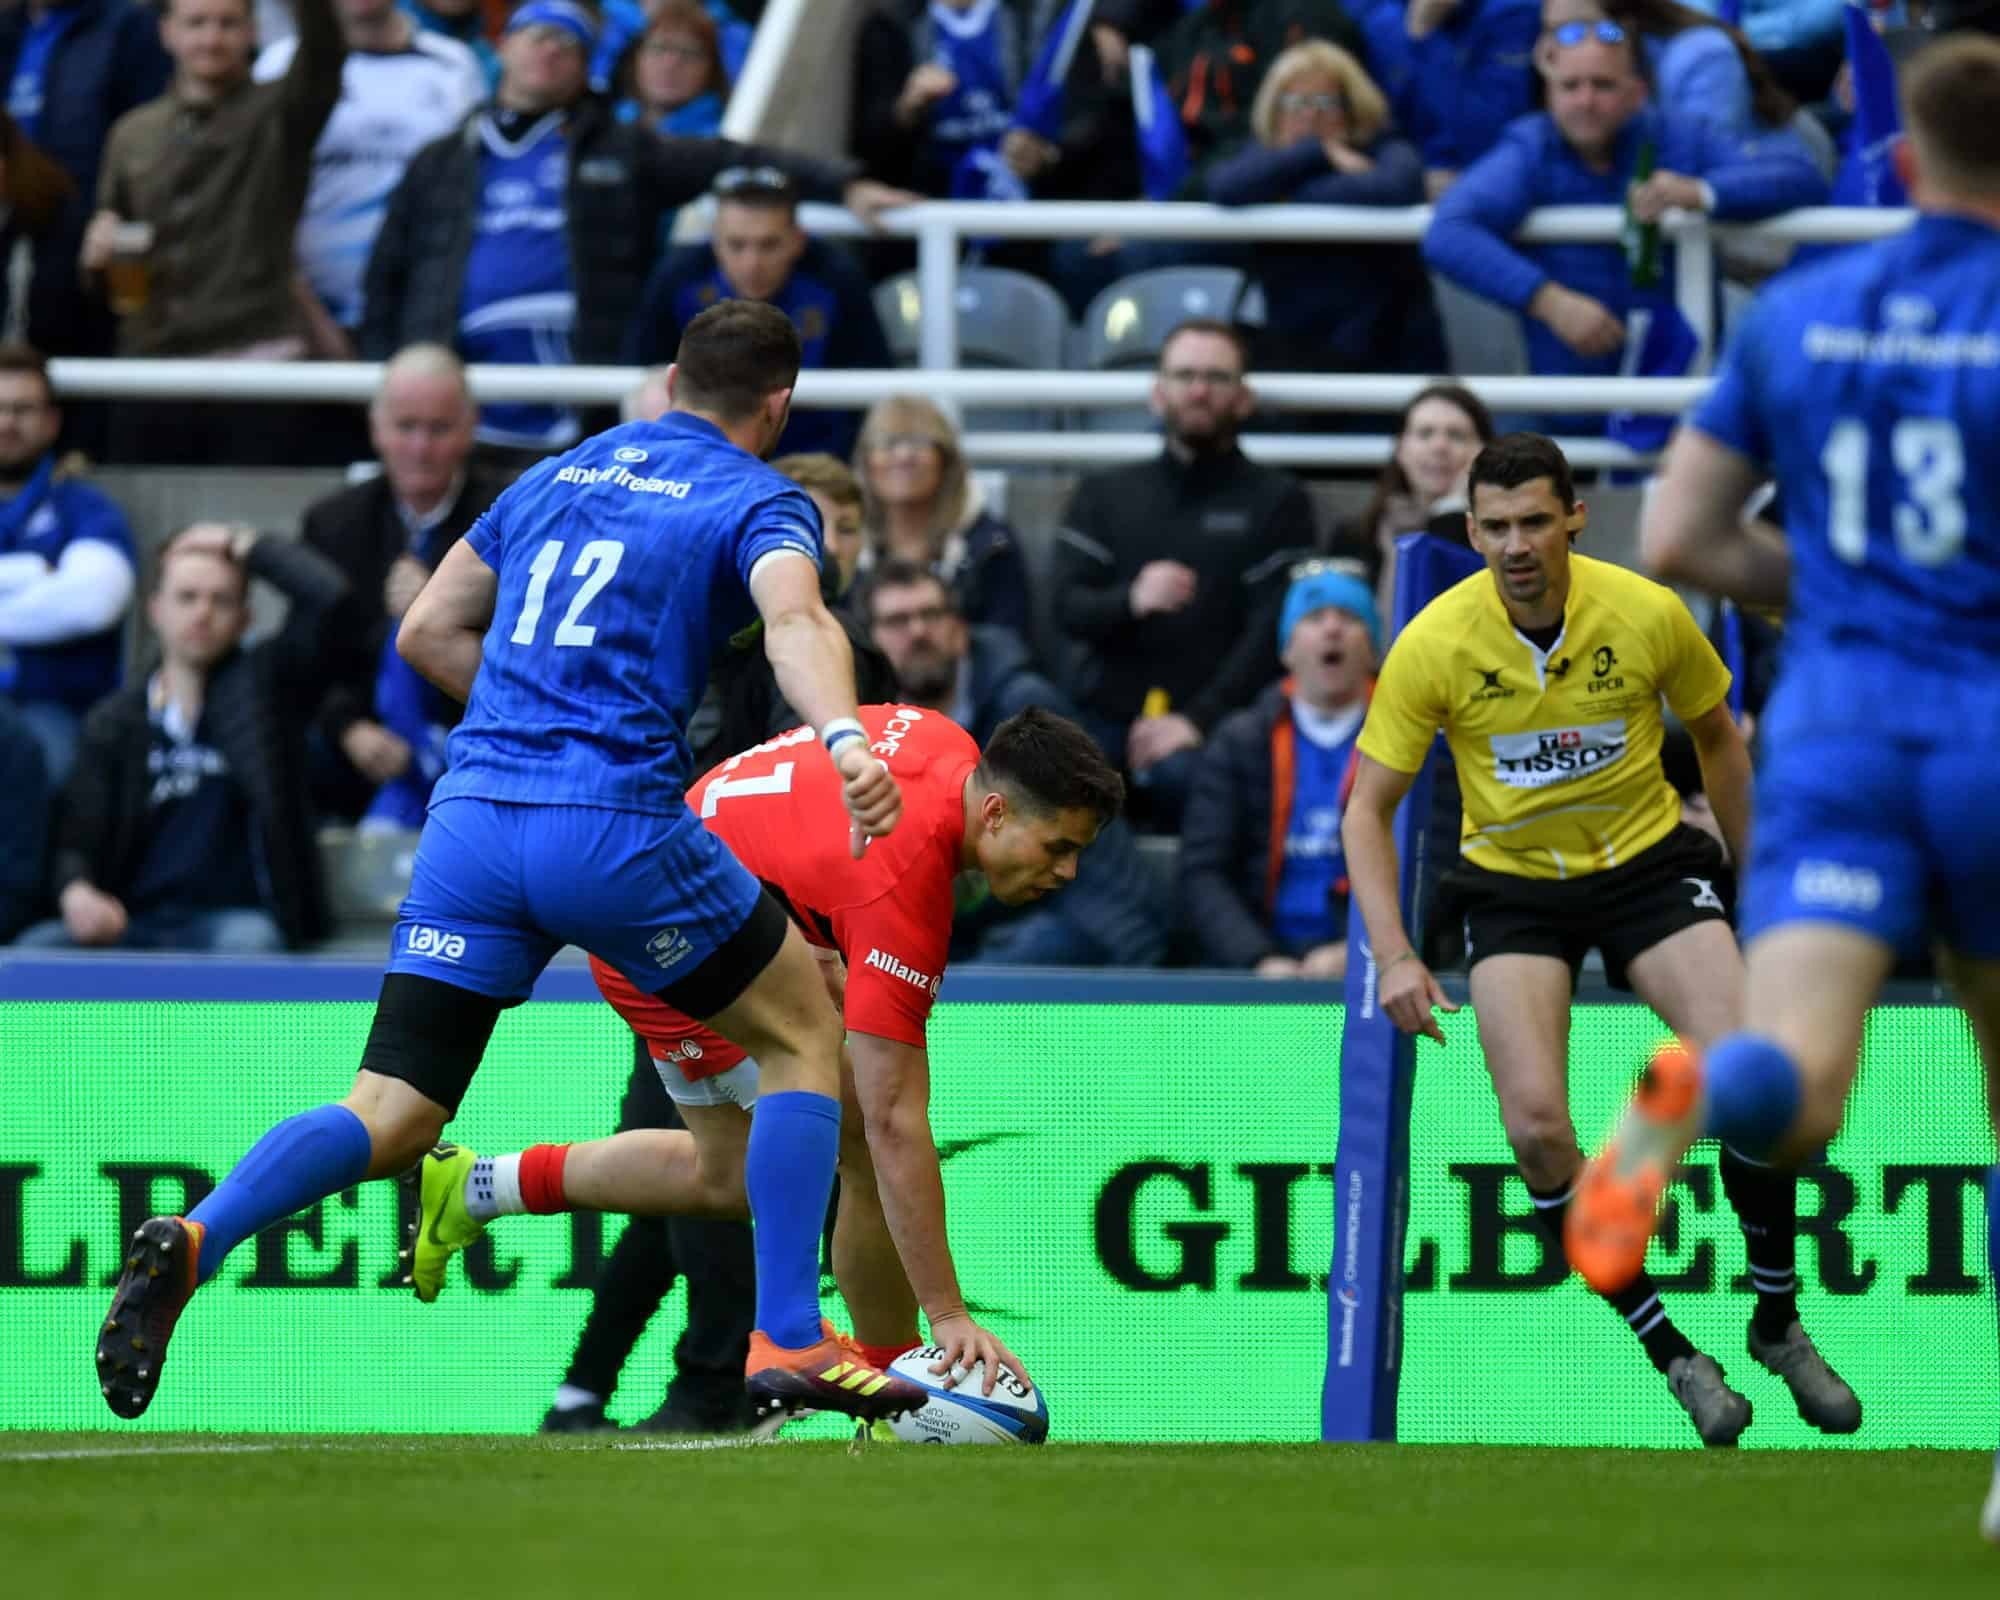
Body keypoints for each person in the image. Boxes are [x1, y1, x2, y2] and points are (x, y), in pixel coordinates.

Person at [92, 301, 933, 1433]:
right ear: (776, 405)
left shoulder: (555, 475)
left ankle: (199, 1236)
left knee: (387, 1110)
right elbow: (793, 624)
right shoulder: (757, 495)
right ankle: (786, 1335)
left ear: (674, 380)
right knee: (801, 1034)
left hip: (473, 825)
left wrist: (528, 718)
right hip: (617, 825)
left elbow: (427, 631)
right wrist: (841, 737)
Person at [1557, 36, 2000, 1528]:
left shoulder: (1802, 315)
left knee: (1798, 1088)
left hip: (1842, 725)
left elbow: (1675, 539)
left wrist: (1848, 593)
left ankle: (1674, 1100)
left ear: (1906, 164)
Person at [1341, 431, 1859, 1445]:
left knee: (1761, 1081)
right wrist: (1392, 953)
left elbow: (1717, 735)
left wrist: (1762, 889)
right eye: (1491, 527)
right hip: (1512, 893)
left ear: (1573, 517)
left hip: (1645, 871)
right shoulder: (1434, 642)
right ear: (1469, 530)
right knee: (1535, 1131)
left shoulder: (1644, 611)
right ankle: (1674, 1355)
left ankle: (1776, 1319)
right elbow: (1367, 809)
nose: (1512, 544)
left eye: (1533, 520)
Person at [403, 705, 1124, 1417]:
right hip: (670, 930)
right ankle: (887, 1385)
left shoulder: (940, 739)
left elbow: (800, 790)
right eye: (1058, 846)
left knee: (729, 1175)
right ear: (995, 812)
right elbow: (894, 1121)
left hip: (669, 890)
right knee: (861, 1145)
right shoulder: (907, 878)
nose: (1066, 871)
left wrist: (796, 913)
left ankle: (477, 1185)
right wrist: (949, 1316)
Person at [541, 451, 892, 1438]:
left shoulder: (846, 657)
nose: (825, 547)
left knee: (700, 1174)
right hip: (703, 931)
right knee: (709, 1174)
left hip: (755, 941)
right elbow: (707, 793)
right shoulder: (722, 649)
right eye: (809, 525)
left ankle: (625, 1387)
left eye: (846, 528)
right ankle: (702, 1379)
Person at [360, 2, 911, 456]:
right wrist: (382, 377)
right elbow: (385, 275)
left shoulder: (623, 151)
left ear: (587, 68)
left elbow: (731, 158)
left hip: (581, 402)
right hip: (456, 403)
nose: (550, 49)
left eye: (569, 43)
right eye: (537, 36)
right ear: (502, 47)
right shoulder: (441, 159)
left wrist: (844, 184)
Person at [1422, 22, 1827, 426]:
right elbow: (1448, 230)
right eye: (1570, 86)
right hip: (1569, 404)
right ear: (1549, 95)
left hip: (1677, 403)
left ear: (1638, 92)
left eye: (1603, 85)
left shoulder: (1679, 136)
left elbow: (1800, 175)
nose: (1586, 100)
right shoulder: (1533, 147)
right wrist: (1549, 301)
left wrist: (1701, 191)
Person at [19, 523, 339, 953]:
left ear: (245, 618)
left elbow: (328, 598)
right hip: (128, 922)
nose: (203, 613)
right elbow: (76, 838)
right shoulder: (114, 721)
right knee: (36, 951)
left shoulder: (268, 696)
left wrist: (240, 544)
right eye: (187, 597)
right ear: (156, 610)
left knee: (251, 946)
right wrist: (76, 891)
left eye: (220, 600)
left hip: (231, 923)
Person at [1051, 317, 1315, 826]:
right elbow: (1066, 607)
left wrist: (1198, 721)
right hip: (1105, 724)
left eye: (1217, 378)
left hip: (1220, 729)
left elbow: (1274, 635)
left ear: (1243, 397)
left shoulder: (1278, 500)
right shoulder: (1105, 495)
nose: (1198, 391)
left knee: (1186, 779)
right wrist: (1129, 598)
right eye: (1185, 375)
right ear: (1158, 393)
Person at [862, 559, 1166, 968]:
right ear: (873, 642)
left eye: (932, 614)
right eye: (898, 620)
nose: (918, 631)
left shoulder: (1024, 709)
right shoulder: (863, 732)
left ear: (960, 629)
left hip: (1056, 929)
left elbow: (1081, 855)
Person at [85, 0, 347, 466]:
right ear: (167, 32)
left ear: (252, 32)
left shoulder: (283, 109)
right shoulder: (131, 132)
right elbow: (106, 253)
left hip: (259, 364)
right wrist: (95, 256)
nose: (211, 38)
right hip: (151, 369)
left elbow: (326, 51)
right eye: (196, 23)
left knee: (255, 524)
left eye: (228, 23)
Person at [282, 344, 511, 822]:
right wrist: (348, 729)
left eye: (439, 428)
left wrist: (443, 605)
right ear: (377, 429)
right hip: (357, 750)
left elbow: (529, 649)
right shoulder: (334, 523)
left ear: (470, 429)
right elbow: (303, 659)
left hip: (479, 739)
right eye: (406, 427)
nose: (421, 448)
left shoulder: (514, 516)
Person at [1205, 40, 1447, 410]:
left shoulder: (1386, 148)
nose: (1310, 116)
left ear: (1351, 110)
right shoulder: (1263, 155)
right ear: (1275, 110)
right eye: (1296, 103)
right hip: (1295, 354)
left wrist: (1286, 188)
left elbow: (1394, 187)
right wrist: (1316, 153)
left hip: (1388, 350)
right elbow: (1222, 187)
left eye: (1325, 103)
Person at [1181, 561, 1379, 977]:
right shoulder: (1239, 741)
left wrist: (1363, 952)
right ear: (1286, 649)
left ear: (1374, 648)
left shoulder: (1415, 741)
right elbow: (1203, 872)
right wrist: (1258, 958)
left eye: (1349, 616)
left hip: (1374, 967)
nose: (1332, 629)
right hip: (1261, 961)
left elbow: (1431, 868)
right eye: (1313, 617)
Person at [252, 0, 485, 354]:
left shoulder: (454, 63)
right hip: (302, 311)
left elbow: (471, 190)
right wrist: (304, 306)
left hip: (421, 309)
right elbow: (259, 196)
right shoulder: (279, 62)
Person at [625, 168, 892, 461]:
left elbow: (872, 379)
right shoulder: (678, 276)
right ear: (715, 240)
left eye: (769, 245)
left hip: (815, 462)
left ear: (797, 240)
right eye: (736, 245)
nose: (752, 263)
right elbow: (641, 370)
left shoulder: (837, 279)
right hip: (700, 461)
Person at [0, 0, 170, 366]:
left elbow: (152, 146)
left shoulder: (127, 27)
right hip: (13, 242)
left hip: (93, 259)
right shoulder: (9, 29)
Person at [0, 342, 137, 787]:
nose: (6, 423)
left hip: (53, 709)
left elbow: (93, 603)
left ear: (52, 421)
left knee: (47, 767)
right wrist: (34, 575)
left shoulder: (86, 508)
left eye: (22, 410)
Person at [851, 393, 1033, 644]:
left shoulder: (991, 545)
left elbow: (1007, 647)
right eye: (888, 443)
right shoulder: (842, 544)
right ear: (866, 462)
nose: (904, 456)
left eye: (919, 442)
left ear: (946, 462)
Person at [1329, 381, 1496, 617]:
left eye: (1456, 436)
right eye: (1425, 433)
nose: (1440, 447)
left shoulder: (1503, 539)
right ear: (1401, 449)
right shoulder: (1355, 537)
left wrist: (1450, 514)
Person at [1357, 0, 1543, 197]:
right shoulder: (1379, 19)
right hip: (1408, 182)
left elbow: (1492, 133)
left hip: (1497, 178)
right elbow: (1379, 126)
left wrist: (1425, 37)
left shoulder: (1514, 12)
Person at [613, 0, 732, 140]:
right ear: (637, 58)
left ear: (711, 69)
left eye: (688, 52)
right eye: (660, 48)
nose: (670, 64)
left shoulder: (727, 135)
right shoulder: (603, 125)